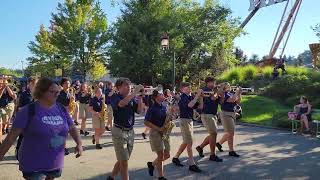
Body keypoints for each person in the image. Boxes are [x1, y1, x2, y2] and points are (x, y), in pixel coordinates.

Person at [0, 77, 83, 180]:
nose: (57, 94)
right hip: (33, 164)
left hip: (55, 161)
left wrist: (79, 143)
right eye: (52, 91)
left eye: (58, 92)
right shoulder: (27, 111)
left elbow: (72, 127)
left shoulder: (61, 109)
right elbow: (10, 138)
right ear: (41, 92)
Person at [107, 78, 144, 180]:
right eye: (126, 85)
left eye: (129, 85)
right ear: (118, 88)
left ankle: (111, 177)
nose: (129, 87)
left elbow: (139, 111)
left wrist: (140, 98)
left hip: (130, 132)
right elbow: (121, 104)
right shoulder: (115, 97)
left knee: (123, 159)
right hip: (119, 131)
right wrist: (134, 93)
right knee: (124, 162)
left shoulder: (131, 98)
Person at [171, 82, 203, 173]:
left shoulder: (190, 97)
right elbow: (190, 105)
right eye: (186, 88)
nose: (189, 88)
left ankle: (176, 157)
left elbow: (200, 107)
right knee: (190, 142)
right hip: (184, 120)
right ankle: (191, 164)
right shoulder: (182, 97)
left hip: (190, 120)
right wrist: (197, 95)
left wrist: (201, 97)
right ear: (182, 90)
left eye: (189, 87)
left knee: (186, 141)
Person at [196, 77, 223, 162]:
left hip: (213, 114)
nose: (214, 84)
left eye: (215, 82)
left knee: (213, 134)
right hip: (206, 114)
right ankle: (212, 154)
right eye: (213, 82)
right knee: (214, 133)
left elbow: (221, 102)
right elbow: (213, 98)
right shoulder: (205, 90)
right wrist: (218, 92)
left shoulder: (215, 91)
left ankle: (200, 147)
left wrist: (222, 94)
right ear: (208, 83)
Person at [145, 89, 170, 180]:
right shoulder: (152, 108)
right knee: (161, 155)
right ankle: (161, 176)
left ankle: (152, 164)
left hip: (164, 132)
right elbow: (146, 122)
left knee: (167, 155)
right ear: (156, 97)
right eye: (161, 94)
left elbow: (167, 118)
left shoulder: (164, 106)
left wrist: (172, 116)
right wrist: (158, 128)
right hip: (155, 133)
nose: (163, 95)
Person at [216, 82, 242, 157]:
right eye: (227, 86)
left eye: (229, 85)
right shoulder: (223, 94)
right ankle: (231, 150)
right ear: (224, 87)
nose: (229, 86)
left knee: (229, 133)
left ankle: (219, 144)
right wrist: (237, 92)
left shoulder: (231, 93)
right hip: (226, 114)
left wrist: (239, 93)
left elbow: (238, 101)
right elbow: (232, 100)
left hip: (232, 113)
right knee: (231, 133)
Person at [56, 77, 74, 155]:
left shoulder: (70, 94)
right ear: (62, 84)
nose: (68, 84)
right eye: (66, 83)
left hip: (68, 115)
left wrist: (73, 104)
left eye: (69, 83)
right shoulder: (59, 94)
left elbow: (72, 105)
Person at [0, 75, 17, 142]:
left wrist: (7, 86)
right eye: (2, 78)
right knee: (2, 123)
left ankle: (5, 128)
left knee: (7, 120)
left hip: (8, 105)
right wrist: (3, 87)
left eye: (5, 79)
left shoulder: (11, 86)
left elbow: (13, 96)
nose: (3, 80)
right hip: (1, 107)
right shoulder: (1, 86)